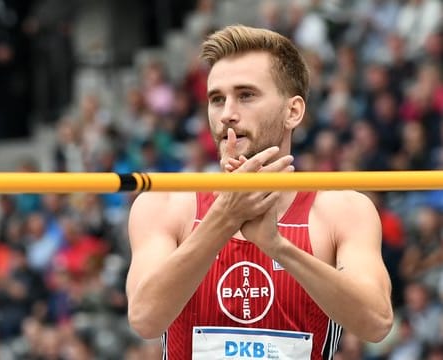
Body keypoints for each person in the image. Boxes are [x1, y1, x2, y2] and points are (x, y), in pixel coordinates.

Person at [126, 25, 394, 359]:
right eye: (217, 99)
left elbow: (376, 322)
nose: (227, 115)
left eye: (246, 95)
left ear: (292, 111)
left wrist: (277, 247)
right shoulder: (163, 203)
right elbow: (145, 319)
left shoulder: (342, 210)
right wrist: (225, 218)